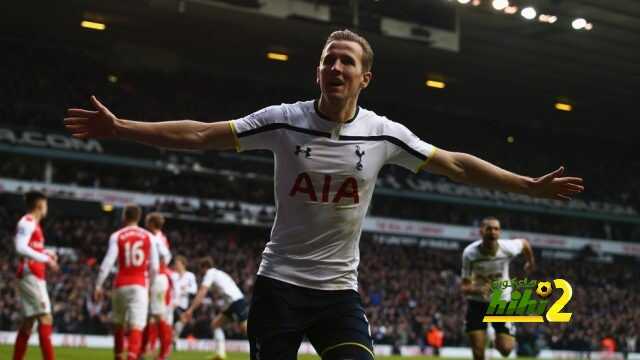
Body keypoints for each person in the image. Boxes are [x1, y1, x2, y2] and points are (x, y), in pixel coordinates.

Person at [64, 29, 583, 360]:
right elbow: (201, 133)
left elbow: (454, 165)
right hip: (279, 289)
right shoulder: (284, 121)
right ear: (318, 70)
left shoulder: (383, 134)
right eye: (328, 60)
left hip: (339, 293)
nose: (335, 68)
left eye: (346, 62)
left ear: (365, 78)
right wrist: (123, 128)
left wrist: (526, 185)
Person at [460, 217, 536, 360]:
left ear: (499, 232)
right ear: (481, 231)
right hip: (477, 304)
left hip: (501, 302)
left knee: (506, 350)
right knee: (478, 353)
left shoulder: (508, 248)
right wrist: (478, 289)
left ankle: (497, 337)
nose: (493, 232)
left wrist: (530, 262)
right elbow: (464, 287)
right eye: (489, 228)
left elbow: (525, 243)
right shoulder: (470, 254)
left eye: (496, 229)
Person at [94, 204, 159, 360]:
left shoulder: (117, 236)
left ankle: (118, 356)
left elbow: (108, 263)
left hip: (120, 284)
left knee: (118, 324)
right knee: (137, 326)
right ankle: (131, 356)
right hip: (140, 285)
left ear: (124, 217)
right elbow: (155, 267)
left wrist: (98, 285)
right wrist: (150, 285)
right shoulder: (149, 237)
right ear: (139, 217)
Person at [12, 191, 58, 360]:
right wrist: (47, 259)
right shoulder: (28, 222)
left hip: (32, 275)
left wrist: (47, 252)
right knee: (46, 317)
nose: (46, 208)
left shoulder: (33, 224)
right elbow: (20, 248)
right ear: (40, 205)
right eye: (45, 204)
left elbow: (31, 248)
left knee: (28, 323)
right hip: (31, 275)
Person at [181, 256, 249, 360]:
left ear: (205, 267)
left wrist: (190, 310)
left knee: (246, 329)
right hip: (231, 303)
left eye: (201, 269)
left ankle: (265, 350)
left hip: (236, 302)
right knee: (215, 324)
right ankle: (220, 354)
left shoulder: (210, 273)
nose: (201, 273)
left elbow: (202, 292)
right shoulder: (219, 273)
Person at [141, 212, 173, 360]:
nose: (145, 224)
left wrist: (160, 265)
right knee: (152, 316)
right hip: (157, 277)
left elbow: (167, 255)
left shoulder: (155, 238)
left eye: (147, 222)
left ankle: (165, 350)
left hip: (158, 278)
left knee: (159, 316)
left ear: (152, 224)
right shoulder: (160, 237)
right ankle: (147, 348)